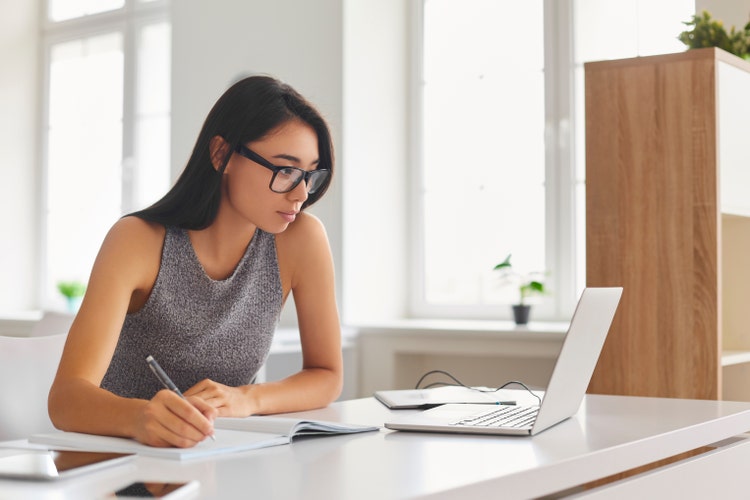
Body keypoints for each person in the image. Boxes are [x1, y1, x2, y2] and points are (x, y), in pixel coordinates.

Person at [48, 75, 343, 448]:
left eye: (309, 174)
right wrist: (142, 418)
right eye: (285, 170)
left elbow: (327, 374)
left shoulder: (301, 239)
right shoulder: (137, 240)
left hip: (220, 459)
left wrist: (247, 399)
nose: (301, 193)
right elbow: (65, 400)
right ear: (222, 154)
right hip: (120, 463)